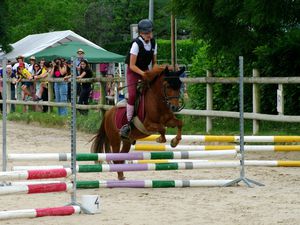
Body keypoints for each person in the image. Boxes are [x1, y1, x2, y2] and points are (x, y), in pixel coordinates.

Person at [120, 18, 157, 139]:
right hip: (133, 71)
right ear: (141, 33)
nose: (149, 35)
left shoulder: (153, 43)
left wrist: (154, 73)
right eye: (146, 33)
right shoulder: (136, 44)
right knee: (132, 95)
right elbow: (132, 65)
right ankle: (128, 123)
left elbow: (154, 63)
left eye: (150, 32)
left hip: (144, 70)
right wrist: (144, 74)